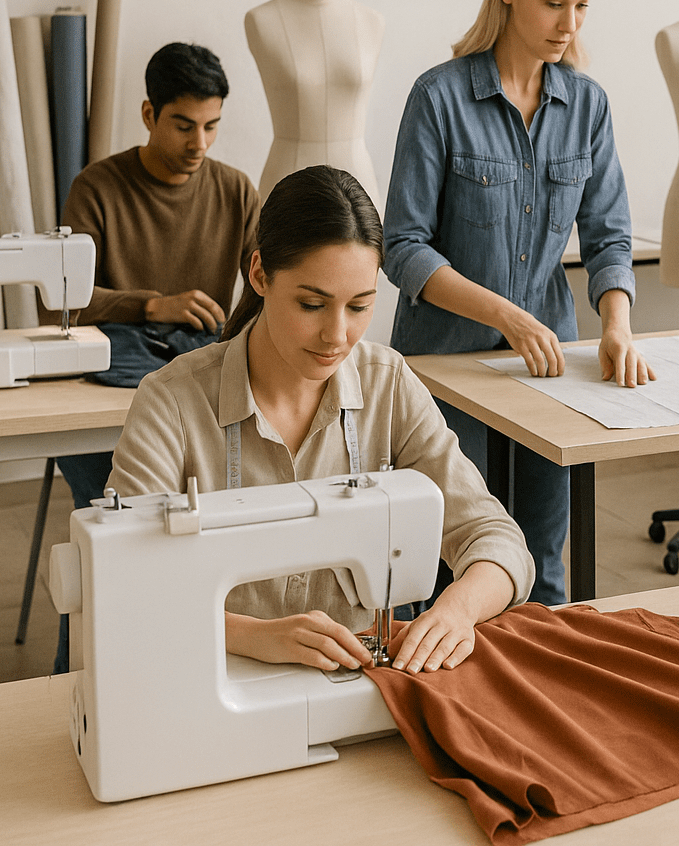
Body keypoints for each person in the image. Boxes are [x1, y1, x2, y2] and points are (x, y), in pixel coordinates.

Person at [107, 167, 533, 673]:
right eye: (312, 304)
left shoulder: (387, 386)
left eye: (359, 306)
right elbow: (121, 580)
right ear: (260, 274)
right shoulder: (173, 403)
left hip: (354, 680)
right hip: (209, 678)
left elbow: (495, 537)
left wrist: (456, 610)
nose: (337, 334)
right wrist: (252, 635)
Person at [383, 0, 652, 606]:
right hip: (446, 370)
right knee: (451, 571)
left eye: (583, 7)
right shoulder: (438, 97)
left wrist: (617, 326)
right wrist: (506, 315)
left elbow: (609, 236)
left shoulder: (587, 106)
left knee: (542, 567)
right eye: (554, 3)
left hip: (547, 372)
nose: (570, 25)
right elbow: (403, 246)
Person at [51, 43, 260, 510]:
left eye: (211, 126)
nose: (199, 143)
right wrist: (150, 306)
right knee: (124, 506)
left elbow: (266, 288)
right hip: (112, 381)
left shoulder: (236, 191)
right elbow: (62, 305)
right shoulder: (96, 189)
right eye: (184, 126)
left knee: (224, 490)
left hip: (199, 371)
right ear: (149, 115)